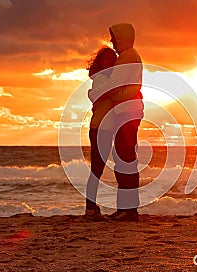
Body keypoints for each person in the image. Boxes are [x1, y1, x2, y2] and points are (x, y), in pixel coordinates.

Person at [88, 23, 143, 222]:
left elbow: (115, 86)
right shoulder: (127, 57)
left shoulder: (128, 56)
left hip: (127, 113)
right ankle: (126, 209)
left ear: (122, 37)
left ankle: (129, 210)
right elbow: (124, 87)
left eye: (113, 37)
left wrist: (99, 94)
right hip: (125, 113)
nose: (112, 41)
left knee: (126, 160)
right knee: (124, 160)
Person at [85, 47, 117, 221]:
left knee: (98, 168)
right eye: (107, 58)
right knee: (96, 169)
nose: (111, 61)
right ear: (100, 61)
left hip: (105, 128)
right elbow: (98, 95)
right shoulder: (100, 78)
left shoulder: (108, 78)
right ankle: (90, 208)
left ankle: (91, 206)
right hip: (99, 128)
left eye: (113, 58)